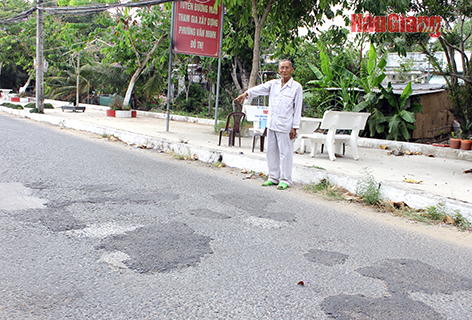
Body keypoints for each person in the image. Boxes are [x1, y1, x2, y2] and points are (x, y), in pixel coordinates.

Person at [234, 59, 303, 190]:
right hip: (272, 124)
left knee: (285, 154)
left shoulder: (296, 87)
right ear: (278, 70)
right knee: (271, 152)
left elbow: (298, 108)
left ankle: (285, 180)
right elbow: (258, 89)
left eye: (287, 68)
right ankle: (273, 177)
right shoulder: (273, 84)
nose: (284, 70)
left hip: (286, 126)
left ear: (292, 70)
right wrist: (246, 93)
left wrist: (295, 127)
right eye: (282, 68)